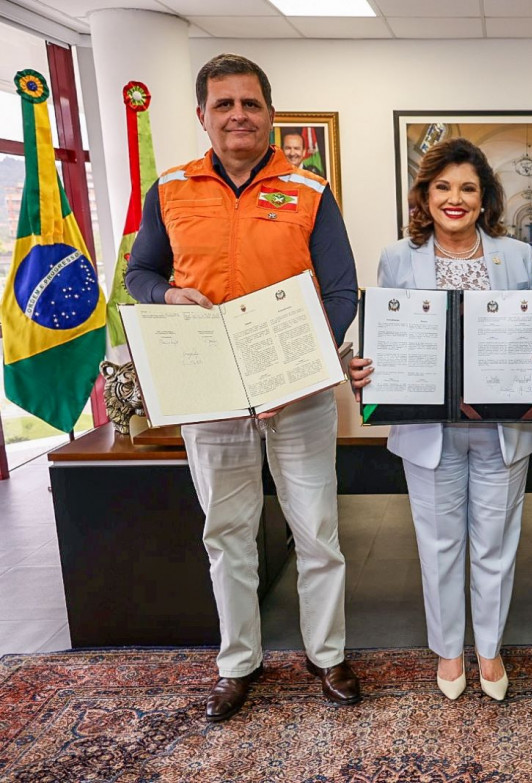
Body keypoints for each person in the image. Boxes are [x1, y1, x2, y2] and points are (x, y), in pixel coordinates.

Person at [126, 53, 361, 721]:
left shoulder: (310, 189)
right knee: (227, 529)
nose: (238, 115)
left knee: (316, 528)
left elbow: (340, 290)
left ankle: (328, 653)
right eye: (223, 103)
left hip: (299, 390)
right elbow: (139, 275)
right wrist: (167, 293)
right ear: (201, 114)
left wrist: (309, 363)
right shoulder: (169, 189)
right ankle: (238, 663)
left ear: (270, 114)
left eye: (250, 104)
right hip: (211, 388)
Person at [349, 138, 532, 701]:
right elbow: (375, 339)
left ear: (484, 195)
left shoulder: (513, 256)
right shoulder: (397, 258)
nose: (455, 198)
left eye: (467, 187)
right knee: (438, 545)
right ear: (425, 194)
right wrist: (362, 367)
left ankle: (488, 650)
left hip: (500, 431)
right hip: (428, 433)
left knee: (495, 544)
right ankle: (447, 651)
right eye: (443, 187)